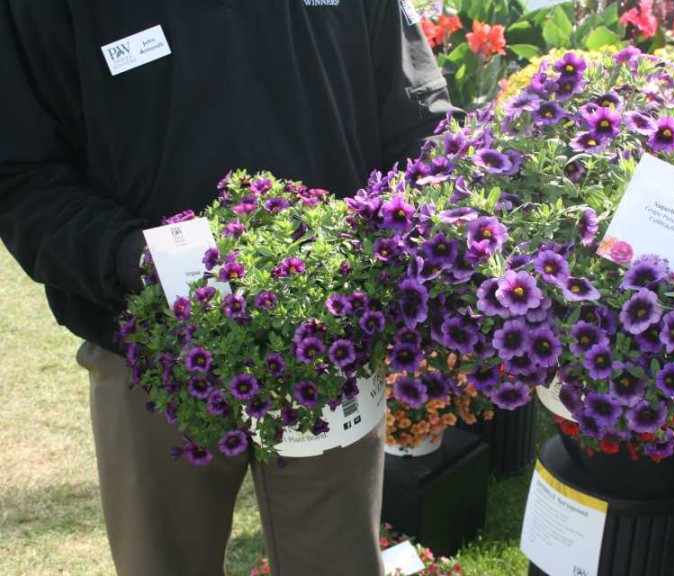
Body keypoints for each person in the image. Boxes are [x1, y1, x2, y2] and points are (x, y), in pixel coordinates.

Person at [0, 1, 456, 575]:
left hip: (332, 340)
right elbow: (21, 172)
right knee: (163, 563)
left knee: (335, 561)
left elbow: (419, 117)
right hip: (150, 352)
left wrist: (446, 223)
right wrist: (133, 259)